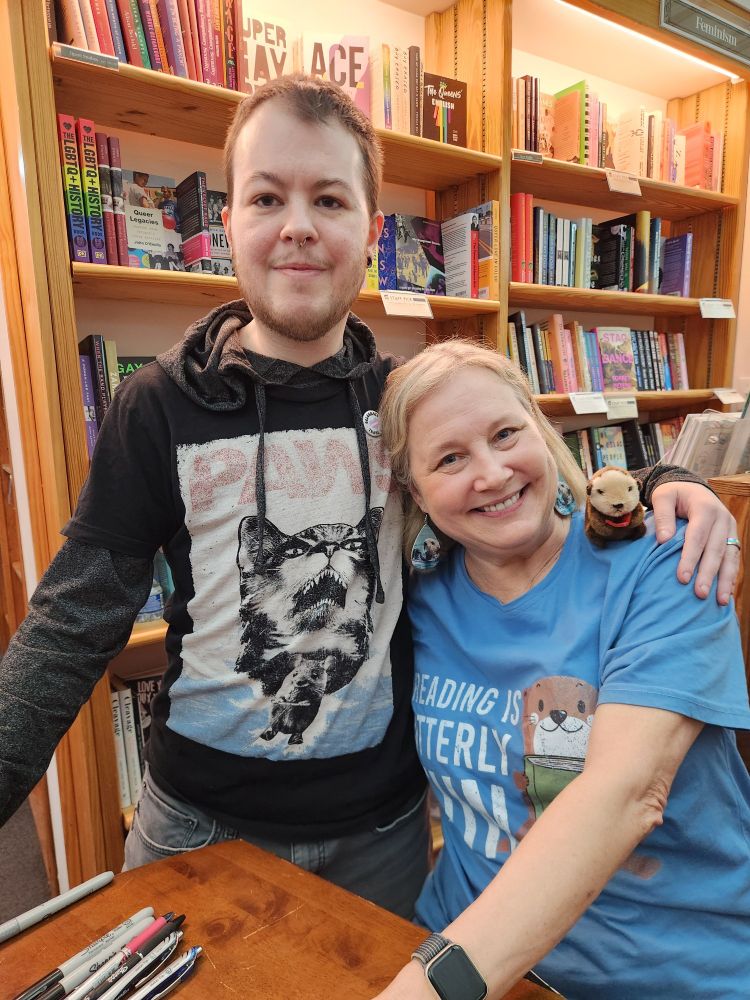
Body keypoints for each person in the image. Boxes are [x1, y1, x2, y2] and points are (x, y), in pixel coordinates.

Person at [0, 75, 739, 919]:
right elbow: (72, 619)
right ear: (227, 224)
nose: (298, 227)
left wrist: (662, 482)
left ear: (371, 230)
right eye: (267, 198)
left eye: (330, 199)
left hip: (381, 835)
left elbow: (526, 490)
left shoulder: (404, 407)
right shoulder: (158, 406)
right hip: (195, 824)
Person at [376, 339, 750, 998]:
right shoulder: (420, 593)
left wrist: (431, 986)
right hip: (477, 954)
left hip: (666, 975)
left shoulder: (668, 562)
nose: (491, 474)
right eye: (451, 458)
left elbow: (626, 794)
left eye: (505, 434)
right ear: (416, 491)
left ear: (542, 432)